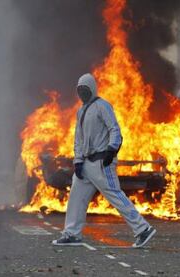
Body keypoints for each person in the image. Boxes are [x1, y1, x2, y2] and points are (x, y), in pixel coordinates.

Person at [52, 73, 156, 248]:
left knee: (115, 195)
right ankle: (71, 234)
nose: (82, 93)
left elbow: (115, 130)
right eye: (79, 90)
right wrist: (77, 160)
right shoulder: (81, 111)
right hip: (85, 164)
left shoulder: (103, 106)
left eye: (85, 89)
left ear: (92, 89)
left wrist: (111, 150)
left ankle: (143, 229)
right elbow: (78, 138)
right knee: (76, 198)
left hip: (101, 162)